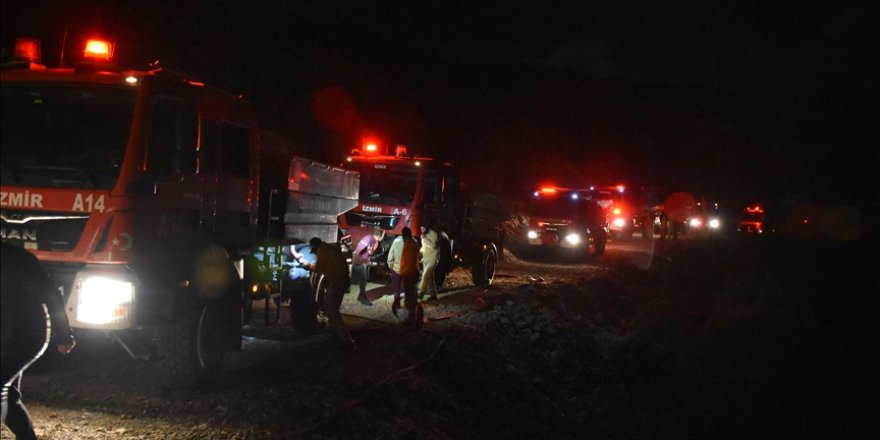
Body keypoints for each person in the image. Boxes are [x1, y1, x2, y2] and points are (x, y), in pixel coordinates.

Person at [1, 243, 76, 439]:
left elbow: (51, 295)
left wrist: (64, 335)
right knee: (8, 395)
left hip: (25, 334)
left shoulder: (16, 259)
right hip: (11, 333)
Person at [307, 237, 355, 349]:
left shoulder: (322, 250)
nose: (313, 253)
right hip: (339, 280)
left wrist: (309, 266)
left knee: (332, 311)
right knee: (328, 308)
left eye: (313, 250)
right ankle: (334, 333)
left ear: (315, 247)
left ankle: (346, 340)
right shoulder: (328, 248)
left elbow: (318, 268)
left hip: (338, 281)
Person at [394, 227, 422, 327]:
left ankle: (411, 319)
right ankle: (413, 316)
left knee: (409, 297)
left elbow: (408, 262)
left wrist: (403, 274)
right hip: (413, 273)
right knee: (411, 296)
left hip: (409, 274)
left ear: (404, 235)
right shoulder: (413, 243)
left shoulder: (409, 245)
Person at [350, 228, 385, 306]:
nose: (383, 237)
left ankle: (361, 296)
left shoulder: (374, 241)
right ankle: (362, 297)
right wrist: (359, 261)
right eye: (383, 235)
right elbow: (358, 250)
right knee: (362, 280)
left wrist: (367, 260)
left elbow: (368, 252)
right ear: (380, 236)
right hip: (359, 262)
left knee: (363, 281)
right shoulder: (368, 239)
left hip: (362, 262)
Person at [418, 223, 440, 301]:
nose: (422, 230)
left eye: (423, 228)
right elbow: (424, 246)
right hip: (426, 258)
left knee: (425, 275)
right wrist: (420, 253)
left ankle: (421, 293)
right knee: (430, 278)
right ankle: (433, 295)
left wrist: (424, 239)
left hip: (433, 258)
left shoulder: (433, 233)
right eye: (421, 228)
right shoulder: (423, 234)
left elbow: (433, 245)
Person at [386, 233, 405, 304]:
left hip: (396, 269)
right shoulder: (413, 241)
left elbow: (390, 256)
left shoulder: (396, 241)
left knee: (396, 288)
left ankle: (397, 303)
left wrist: (390, 266)